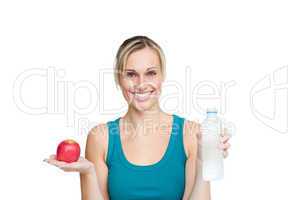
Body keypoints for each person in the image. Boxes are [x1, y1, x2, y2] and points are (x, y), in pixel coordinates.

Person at [44, 35, 231, 200]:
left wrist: (202, 161)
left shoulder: (191, 134)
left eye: (151, 73)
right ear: (119, 79)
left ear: (162, 76)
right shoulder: (100, 137)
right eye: (131, 74)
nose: (141, 84)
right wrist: (88, 173)